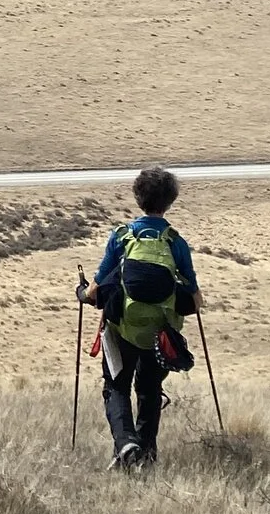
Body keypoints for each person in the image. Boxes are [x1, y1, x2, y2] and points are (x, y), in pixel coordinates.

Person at [78, 165, 200, 471]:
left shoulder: (122, 236)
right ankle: (144, 456)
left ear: (137, 198)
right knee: (148, 391)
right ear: (170, 201)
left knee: (116, 387)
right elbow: (196, 300)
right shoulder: (175, 242)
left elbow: (94, 290)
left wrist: (82, 293)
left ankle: (125, 444)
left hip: (122, 329)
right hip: (161, 333)